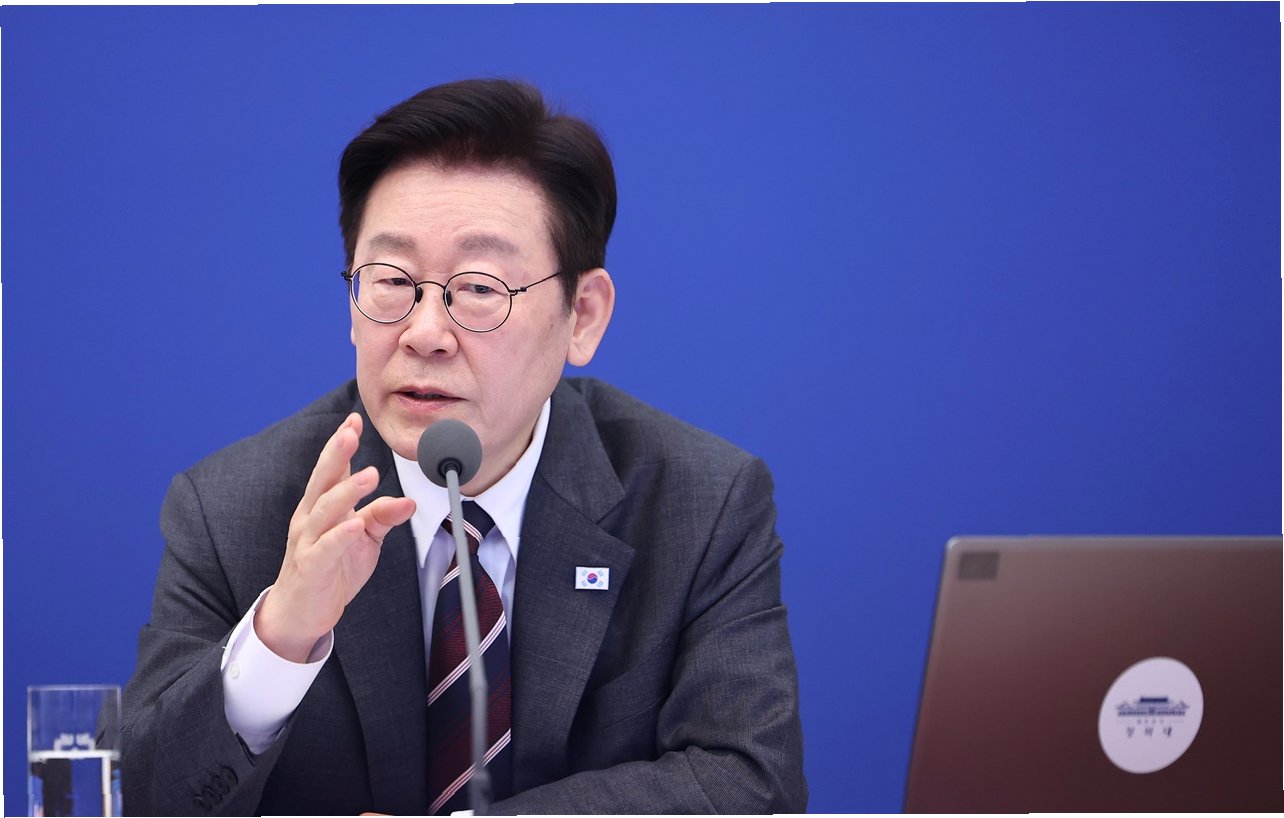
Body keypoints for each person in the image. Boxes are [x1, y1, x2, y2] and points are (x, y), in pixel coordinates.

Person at [121, 78, 806, 815]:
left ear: (582, 315)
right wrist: (279, 639)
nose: (424, 333)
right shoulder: (233, 509)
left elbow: (750, 785)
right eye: (391, 281)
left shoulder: (700, 502)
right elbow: (149, 800)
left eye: (479, 288)